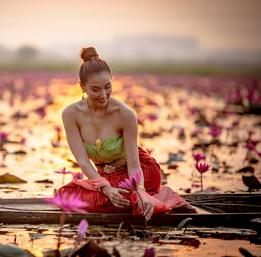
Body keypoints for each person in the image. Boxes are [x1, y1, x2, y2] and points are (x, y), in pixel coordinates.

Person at [57, 47, 196, 220]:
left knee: (113, 200)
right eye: (95, 90)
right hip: (104, 177)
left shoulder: (125, 114)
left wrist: (140, 191)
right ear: (82, 86)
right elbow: (84, 162)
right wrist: (105, 188)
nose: (103, 95)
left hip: (137, 172)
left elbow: (134, 164)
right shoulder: (70, 114)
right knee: (64, 195)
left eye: (107, 87)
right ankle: (156, 198)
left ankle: (150, 197)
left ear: (112, 81)